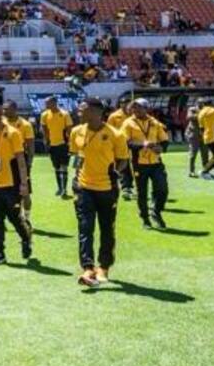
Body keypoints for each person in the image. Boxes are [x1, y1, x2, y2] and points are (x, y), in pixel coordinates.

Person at [68, 99, 130, 288]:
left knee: (106, 228)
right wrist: (76, 178)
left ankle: (104, 267)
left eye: (83, 109)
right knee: (85, 227)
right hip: (83, 187)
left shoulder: (115, 134)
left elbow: (123, 160)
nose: (79, 111)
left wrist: (115, 173)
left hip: (107, 189)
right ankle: (88, 268)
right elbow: (76, 156)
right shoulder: (76, 131)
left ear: (96, 112)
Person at [0, 105, 32, 265]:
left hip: (12, 185)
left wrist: (24, 184)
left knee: (15, 218)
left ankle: (26, 239)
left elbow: (21, 160)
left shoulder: (13, 133)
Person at [123, 100, 170, 229]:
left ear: (146, 108)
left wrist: (161, 148)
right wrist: (142, 144)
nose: (136, 111)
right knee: (142, 192)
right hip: (138, 163)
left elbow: (164, 139)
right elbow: (126, 142)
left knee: (162, 189)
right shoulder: (128, 123)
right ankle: (145, 219)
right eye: (134, 109)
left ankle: (156, 211)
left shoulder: (154, 122)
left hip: (156, 162)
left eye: (138, 108)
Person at [39, 96, 74, 199]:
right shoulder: (44, 115)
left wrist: (70, 143)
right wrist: (46, 141)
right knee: (56, 167)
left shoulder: (64, 114)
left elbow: (69, 129)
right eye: (45, 103)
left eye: (48, 103)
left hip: (63, 144)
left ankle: (64, 189)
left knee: (64, 167)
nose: (46, 105)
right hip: (52, 145)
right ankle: (59, 188)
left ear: (54, 103)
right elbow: (44, 128)